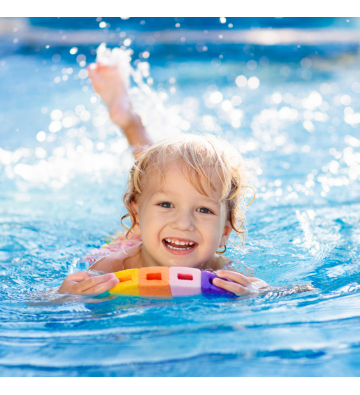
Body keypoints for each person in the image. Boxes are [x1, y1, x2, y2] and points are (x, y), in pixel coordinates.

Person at [58, 61, 268, 297]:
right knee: (150, 173)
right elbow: (40, 306)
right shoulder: (111, 267)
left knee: (158, 180)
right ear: (135, 218)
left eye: (204, 210)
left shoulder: (225, 271)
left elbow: (295, 292)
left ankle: (130, 122)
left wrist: (259, 291)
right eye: (166, 205)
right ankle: (129, 121)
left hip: (155, 230)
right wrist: (66, 295)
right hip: (130, 241)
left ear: (225, 232)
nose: (183, 223)